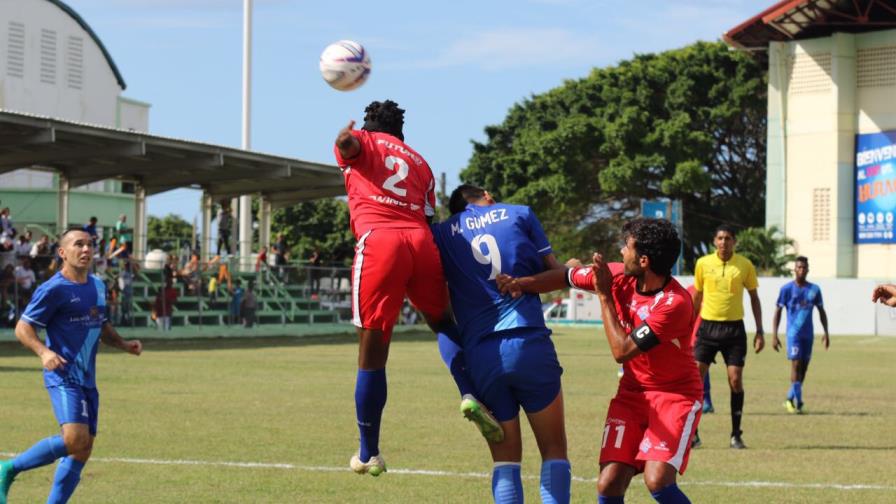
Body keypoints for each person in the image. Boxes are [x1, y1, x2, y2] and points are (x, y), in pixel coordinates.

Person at [498, 218, 702, 504]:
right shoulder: (618, 275)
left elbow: (622, 350)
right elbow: (564, 277)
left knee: (657, 479)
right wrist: (519, 284)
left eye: (626, 247)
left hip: (674, 396)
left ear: (643, 260)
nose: (620, 252)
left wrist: (604, 295)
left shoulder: (674, 304)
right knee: (608, 484)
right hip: (632, 394)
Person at [334, 99, 463, 476]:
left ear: (371, 126)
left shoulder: (364, 139)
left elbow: (349, 148)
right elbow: (428, 216)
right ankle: (471, 392)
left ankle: (368, 452)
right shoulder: (419, 161)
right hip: (421, 243)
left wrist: (345, 138)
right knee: (443, 323)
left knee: (372, 349)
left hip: (381, 242)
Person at [430, 185, 570, 504]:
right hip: (528, 341)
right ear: (487, 194)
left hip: (482, 354)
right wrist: (571, 269)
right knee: (553, 451)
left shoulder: (442, 234)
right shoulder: (519, 213)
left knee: (505, 462)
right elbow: (555, 274)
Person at [0, 227, 142, 504]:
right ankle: (8, 469)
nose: (86, 249)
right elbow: (22, 328)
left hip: (87, 378)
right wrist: (43, 352)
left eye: (90, 244)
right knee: (75, 439)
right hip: (63, 375)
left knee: (82, 449)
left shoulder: (98, 286)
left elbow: (101, 325)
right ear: (63, 253)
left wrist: (124, 345)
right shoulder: (53, 289)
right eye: (79, 244)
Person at [691, 225, 764, 449]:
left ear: (734, 242)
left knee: (735, 380)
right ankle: (692, 434)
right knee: (694, 381)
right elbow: (697, 296)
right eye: (720, 238)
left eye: (728, 238)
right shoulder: (703, 263)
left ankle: (735, 435)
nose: (724, 242)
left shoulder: (744, 265)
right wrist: (687, 327)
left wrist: (760, 330)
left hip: (734, 330)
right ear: (714, 241)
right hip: (708, 328)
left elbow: (754, 298)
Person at [771, 256, 829, 414]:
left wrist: (826, 332)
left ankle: (790, 397)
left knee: (803, 369)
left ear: (808, 270)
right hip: (793, 334)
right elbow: (778, 311)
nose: (801, 270)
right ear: (794, 269)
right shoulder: (786, 289)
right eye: (799, 267)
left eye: (804, 267)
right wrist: (774, 335)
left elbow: (821, 311)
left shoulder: (814, 290)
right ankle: (798, 402)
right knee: (796, 366)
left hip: (808, 335)